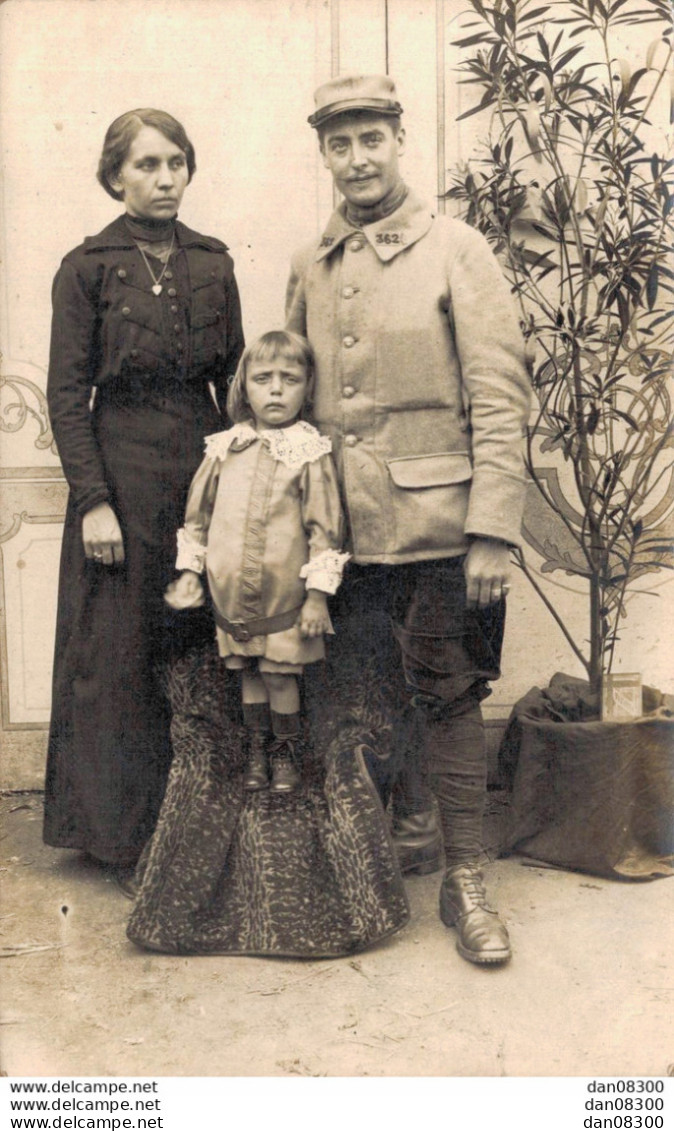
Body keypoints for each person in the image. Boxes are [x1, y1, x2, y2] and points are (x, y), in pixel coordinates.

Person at [286, 75, 531, 965]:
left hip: (439, 529)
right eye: (339, 144)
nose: (357, 159)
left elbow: (501, 396)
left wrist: (493, 528)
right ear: (325, 156)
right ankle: (370, 865)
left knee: (451, 692)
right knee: (355, 696)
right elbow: (294, 409)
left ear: (399, 140)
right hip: (342, 537)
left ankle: (466, 881)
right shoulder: (311, 264)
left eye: (371, 139)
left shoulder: (456, 249)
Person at [44, 108, 245, 891]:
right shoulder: (85, 267)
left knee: (195, 646)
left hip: (198, 465)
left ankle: (197, 828)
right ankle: (120, 840)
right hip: (120, 468)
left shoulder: (214, 261)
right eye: (148, 165)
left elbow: (236, 384)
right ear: (115, 175)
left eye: (177, 164)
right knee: (119, 657)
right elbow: (67, 396)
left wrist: (239, 481)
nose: (166, 179)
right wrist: (94, 500)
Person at [165, 330, 349, 794]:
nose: (276, 389)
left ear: (308, 388)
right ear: (244, 385)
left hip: (284, 597)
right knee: (248, 668)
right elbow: (197, 518)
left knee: (278, 672)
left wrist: (316, 599)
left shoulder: (310, 452)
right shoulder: (225, 448)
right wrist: (190, 572)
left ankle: (285, 753)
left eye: (290, 379)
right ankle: (257, 748)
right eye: (263, 378)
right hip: (233, 598)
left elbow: (324, 531)